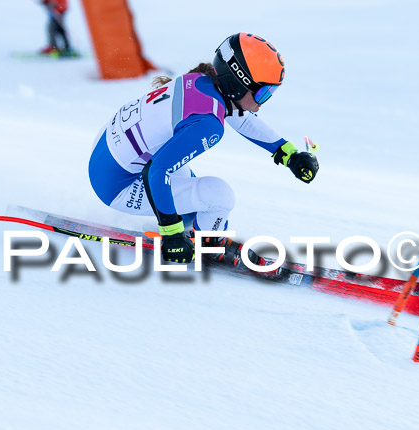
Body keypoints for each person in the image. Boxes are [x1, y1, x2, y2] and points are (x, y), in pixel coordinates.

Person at [88, 33, 319, 264]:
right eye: (263, 93)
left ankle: (200, 231)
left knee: (196, 199)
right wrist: (172, 235)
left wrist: (289, 154)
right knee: (219, 196)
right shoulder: (209, 125)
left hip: (106, 157)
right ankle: (209, 246)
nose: (262, 102)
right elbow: (156, 172)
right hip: (117, 186)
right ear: (238, 84)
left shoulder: (201, 81)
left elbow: (241, 116)